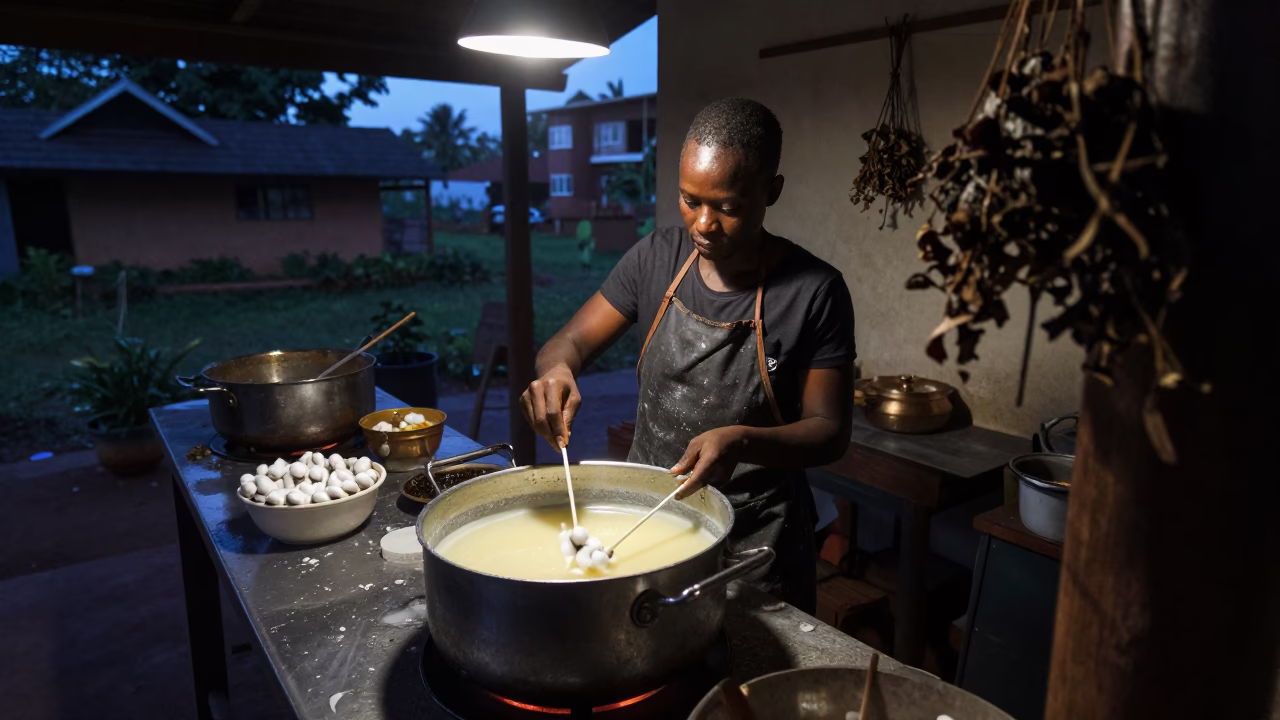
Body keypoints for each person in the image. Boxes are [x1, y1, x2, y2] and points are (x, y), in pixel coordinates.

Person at [520, 98, 856, 613]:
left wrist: (741, 440)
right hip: (649, 524)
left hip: (756, 542)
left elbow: (829, 430)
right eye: (688, 200)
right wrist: (557, 372)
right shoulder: (656, 258)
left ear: (772, 192)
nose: (702, 224)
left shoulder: (814, 292)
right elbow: (568, 343)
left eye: (727, 207)